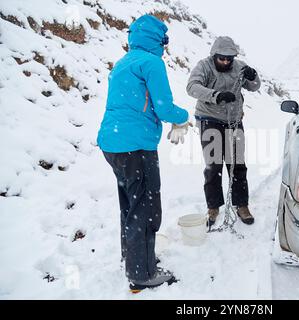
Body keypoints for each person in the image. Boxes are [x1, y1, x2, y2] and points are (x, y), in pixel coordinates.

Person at [97, 14, 190, 293]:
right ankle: (142, 273)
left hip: (113, 143)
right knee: (146, 208)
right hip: (136, 146)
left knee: (130, 203)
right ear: (158, 40)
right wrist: (183, 117)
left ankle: (134, 257)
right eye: (165, 40)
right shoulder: (152, 63)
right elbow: (163, 107)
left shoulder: (123, 63)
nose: (166, 45)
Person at [186, 36, 261, 226]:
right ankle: (213, 207)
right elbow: (192, 87)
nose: (226, 62)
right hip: (209, 119)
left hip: (234, 122)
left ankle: (241, 205)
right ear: (214, 55)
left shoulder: (239, 67)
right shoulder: (204, 66)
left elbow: (254, 87)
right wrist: (216, 96)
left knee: (237, 165)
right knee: (214, 166)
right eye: (222, 59)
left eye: (229, 59)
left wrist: (253, 77)